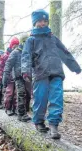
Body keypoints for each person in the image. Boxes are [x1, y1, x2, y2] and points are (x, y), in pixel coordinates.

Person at [21, 9, 81, 138]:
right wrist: (26, 71)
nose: (43, 23)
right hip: (40, 73)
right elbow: (25, 57)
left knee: (57, 99)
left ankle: (54, 125)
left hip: (56, 72)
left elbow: (64, 52)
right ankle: (39, 121)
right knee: (40, 98)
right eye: (40, 21)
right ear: (35, 23)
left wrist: (74, 66)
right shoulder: (31, 40)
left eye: (45, 21)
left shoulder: (53, 38)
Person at [2, 33, 31, 122]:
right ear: (21, 42)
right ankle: (21, 114)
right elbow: (8, 65)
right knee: (21, 93)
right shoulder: (15, 52)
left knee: (28, 94)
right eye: (25, 41)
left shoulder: (29, 52)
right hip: (18, 76)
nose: (26, 44)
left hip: (28, 76)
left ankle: (24, 111)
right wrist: (5, 77)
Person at [0, 37, 19, 113]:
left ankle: (15, 108)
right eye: (14, 45)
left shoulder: (18, 53)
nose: (15, 47)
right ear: (11, 45)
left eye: (17, 45)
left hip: (16, 77)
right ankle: (8, 108)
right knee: (9, 93)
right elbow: (0, 67)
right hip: (8, 77)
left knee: (16, 94)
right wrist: (0, 76)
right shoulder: (5, 56)